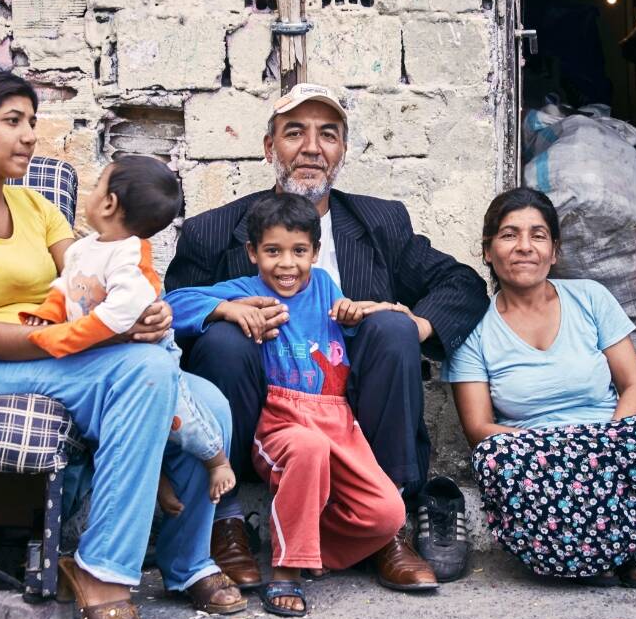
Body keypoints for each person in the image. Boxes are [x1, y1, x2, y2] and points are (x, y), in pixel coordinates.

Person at [0, 68, 244, 619]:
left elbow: (101, 277)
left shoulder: (35, 207)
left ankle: (187, 563)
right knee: (148, 372)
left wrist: (146, 314)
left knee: (209, 400)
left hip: (55, 348)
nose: (30, 135)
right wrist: (103, 339)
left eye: (31, 121)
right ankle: (101, 568)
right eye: (13, 121)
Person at [165, 83, 490, 589]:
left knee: (390, 328)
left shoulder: (380, 222)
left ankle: (389, 530)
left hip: (352, 405)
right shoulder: (216, 230)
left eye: (328, 135)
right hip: (263, 411)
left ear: (342, 151)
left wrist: (415, 323)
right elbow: (173, 324)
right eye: (295, 132)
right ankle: (225, 521)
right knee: (222, 338)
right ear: (270, 147)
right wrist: (227, 311)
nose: (312, 147)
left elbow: (462, 284)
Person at [443, 187, 636, 587]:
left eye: (538, 236)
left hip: (612, 437)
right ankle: (623, 545)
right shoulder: (473, 325)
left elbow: (634, 385)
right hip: (542, 454)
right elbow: (479, 429)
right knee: (494, 457)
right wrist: (558, 446)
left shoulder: (590, 297)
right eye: (509, 235)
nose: (524, 247)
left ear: (554, 251)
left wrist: (610, 437)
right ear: (488, 251)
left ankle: (608, 546)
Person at [167, 193, 411, 615]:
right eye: (273, 251)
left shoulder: (325, 287)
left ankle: (308, 545)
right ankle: (287, 570)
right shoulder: (246, 288)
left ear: (316, 253)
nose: (286, 264)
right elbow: (172, 304)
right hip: (282, 419)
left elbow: (342, 332)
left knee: (387, 514)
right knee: (307, 448)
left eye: (299, 251)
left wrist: (359, 312)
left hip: (337, 419)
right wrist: (226, 308)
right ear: (252, 252)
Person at [20, 155, 235, 506]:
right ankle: (156, 479)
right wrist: (46, 315)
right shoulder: (83, 249)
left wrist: (63, 339)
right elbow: (64, 287)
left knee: (177, 416)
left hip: (147, 356)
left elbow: (119, 315)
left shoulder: (131, 256)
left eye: (96, 185)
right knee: (113, 427)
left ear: (109, 203)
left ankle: (215, 458)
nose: (89, 194)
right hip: (100, 356)